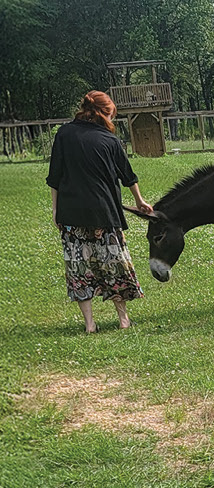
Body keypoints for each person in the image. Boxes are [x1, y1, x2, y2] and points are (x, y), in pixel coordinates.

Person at [47, 90, 152, 333]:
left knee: (78, 268)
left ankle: (89, 325)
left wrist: (55, 210)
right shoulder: (110, 141)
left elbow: (55, 177)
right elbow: (128, 176)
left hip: (71, 214)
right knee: (114, 265)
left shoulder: (63, 134)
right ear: (105, 114)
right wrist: (140, 201)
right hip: (104, 213)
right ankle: (124, 320)